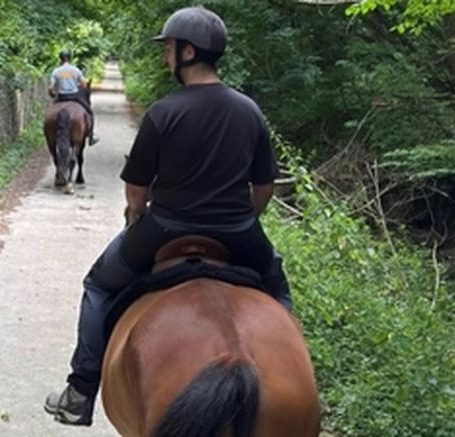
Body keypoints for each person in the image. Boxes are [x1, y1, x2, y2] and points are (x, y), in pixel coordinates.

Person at [44, 6, 293, 427]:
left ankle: (80, 391)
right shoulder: (249, 110)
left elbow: (136, 192)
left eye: (170, 48)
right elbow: (264, 187)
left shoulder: (164, 112)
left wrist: (136, 217)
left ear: (188, 52)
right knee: (277, 288)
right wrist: (242, 220)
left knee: (98, 285)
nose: (165, 56)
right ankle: (295, 365)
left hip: (165, 229)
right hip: (238, 231)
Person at [49, 49, 99, 145]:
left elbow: (51, 88)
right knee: (90, 112)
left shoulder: (56, 71)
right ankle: (91, 137)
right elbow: (84, 85)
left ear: (60, 59)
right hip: (75, 97)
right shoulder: (76, 70)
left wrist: (52, 94)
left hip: (61, 97)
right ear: (70, 58)